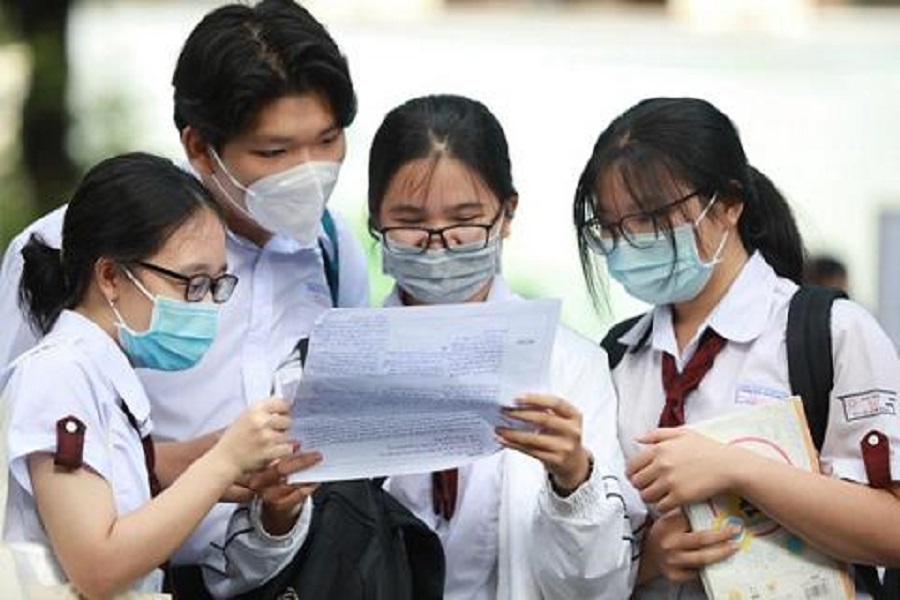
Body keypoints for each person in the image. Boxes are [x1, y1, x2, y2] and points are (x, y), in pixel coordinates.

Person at [0, 1, 369, 596]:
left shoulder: (329, 248)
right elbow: (23, 439)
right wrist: (219, 464)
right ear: (200, 145)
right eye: (274, 152)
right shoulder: (64, 249)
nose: (308, 172)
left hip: (275, 566)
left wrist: (248, 474)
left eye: (327, 140)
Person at [572, 97, 900, 598]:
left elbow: (892, 530)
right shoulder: (618, 355)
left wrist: (736, 469)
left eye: (651, 217)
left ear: (728, 204)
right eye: (612, 227)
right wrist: (650, 559)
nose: (630, 242)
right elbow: (587, 552)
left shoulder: (828, 332)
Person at [367, 93, 645, 599]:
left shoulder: (570, 365)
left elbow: (598, 588)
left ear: (507, 214)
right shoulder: (335, 364)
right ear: (375, 219)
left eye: (464, 220)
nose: (439, 243)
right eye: (410, 222)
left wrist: (573, 478)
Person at [1, 152, 304, 597]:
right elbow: (98, 568)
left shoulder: (101, 375)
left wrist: (229, 462)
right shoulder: (58, 374)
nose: (207, 305)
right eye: (192, 283)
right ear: (110, 276)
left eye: (216, 284)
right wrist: (222, 462)